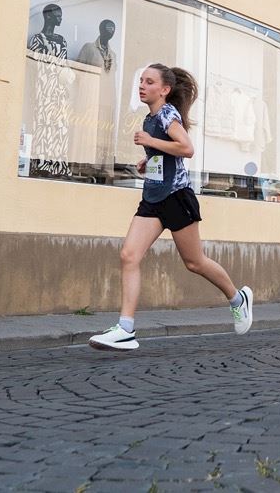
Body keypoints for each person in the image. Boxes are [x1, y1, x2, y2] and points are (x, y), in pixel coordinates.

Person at [88, 64, 253, 350]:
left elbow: (187, 149)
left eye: (149, 82)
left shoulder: (167, 115)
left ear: (164, 90)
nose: (142, 85)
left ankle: (238, 299)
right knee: (129, 254)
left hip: (176, 197)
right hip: (152, 198)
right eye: (141, 80)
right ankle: (126, 328)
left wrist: (151, 142)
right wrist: (148, 159)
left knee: (194, 262)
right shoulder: (149, 118)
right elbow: (166, 155)